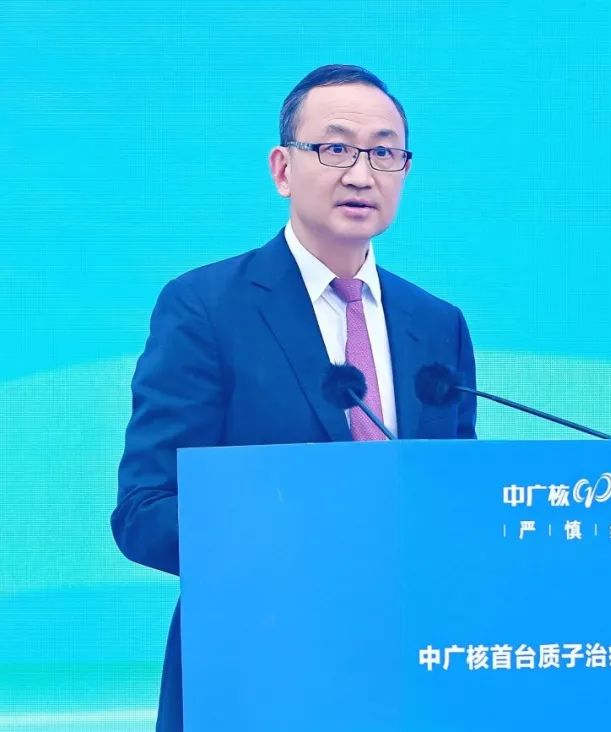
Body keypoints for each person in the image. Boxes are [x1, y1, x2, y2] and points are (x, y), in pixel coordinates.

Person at [112, 64, 477, 732]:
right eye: (335, 148)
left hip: (407, 668)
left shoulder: (437, 325)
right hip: (254, 667)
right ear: (283, 169)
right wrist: (295, 546)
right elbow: (145, 510)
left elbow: (456, 496)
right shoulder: (206, 309)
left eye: (385, 153)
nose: (361, 174)